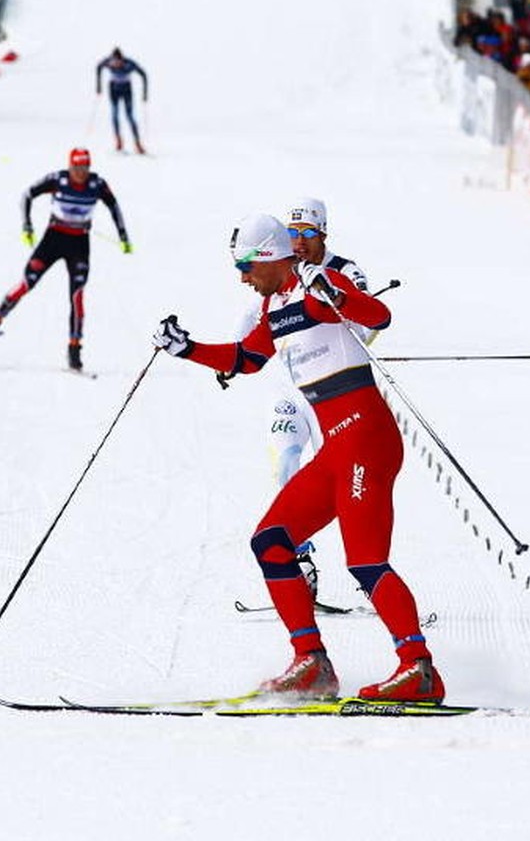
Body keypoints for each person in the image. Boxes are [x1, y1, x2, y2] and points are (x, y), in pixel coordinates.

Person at [150, 213, 443, 702]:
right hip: (336, 444)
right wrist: (187, 349)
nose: (242, 277)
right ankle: (311, 663)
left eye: (246, 265)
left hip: (366, 437)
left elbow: (377, 317)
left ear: (269, 256)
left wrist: (334, 291)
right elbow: (246, 359)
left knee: (367, 562)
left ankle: (419, 669)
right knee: (271, 541)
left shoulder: (317, 288)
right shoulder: (276, 307)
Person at [229, 199, 372, 603]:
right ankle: (301, 562)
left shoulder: (344, 271)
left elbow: (365, 323)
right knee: (285, 463)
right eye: (292, 234)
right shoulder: (280, 276)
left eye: (307, 233)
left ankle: (366, 569)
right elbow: (255, 320)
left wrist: (343, 318)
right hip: (289, 391)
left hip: (333, 393)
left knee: (349, 486)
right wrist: (232, 360)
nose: (300, 242)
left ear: (323, 232)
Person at [0, 148, 131, 371]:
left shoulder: (97, 184)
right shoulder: (58, 179)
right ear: (70, 166)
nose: (80, 173)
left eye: (84, 168)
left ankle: (74, 349)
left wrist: (123, 236)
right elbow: (27, 194)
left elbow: (114, 206)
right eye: (76, 168)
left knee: (76, 296)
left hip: (79, 245)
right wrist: (27, 226)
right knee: (26, 283)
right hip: (53, 240)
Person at [95, 47, 147, 154]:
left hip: (126, 90)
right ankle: (118, 141)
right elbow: (99, 67)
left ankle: (137, 143)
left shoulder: (129, 64)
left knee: (130, 116)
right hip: (114, 89)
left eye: (117, 62)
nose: (115, 64)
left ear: (122, 60)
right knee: (114, 115)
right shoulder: (108, 62)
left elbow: (143, 75)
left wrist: (145, 94)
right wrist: (99, 86)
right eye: (114, 62)